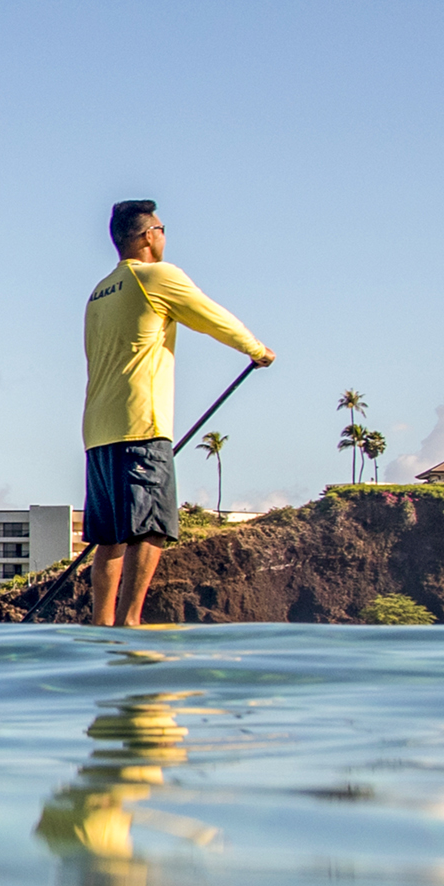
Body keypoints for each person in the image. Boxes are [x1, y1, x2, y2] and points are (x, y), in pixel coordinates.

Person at [82, 198, 271, 628]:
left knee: (109, 537)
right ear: (148, 236)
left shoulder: (99, 292)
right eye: (163, 229)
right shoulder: (158, 276)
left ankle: (99, 626)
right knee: (149, 528)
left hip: (97, 429)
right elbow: (211, 317)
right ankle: (131, 622)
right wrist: (256, 351)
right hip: (142, 424)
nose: (165, 237)